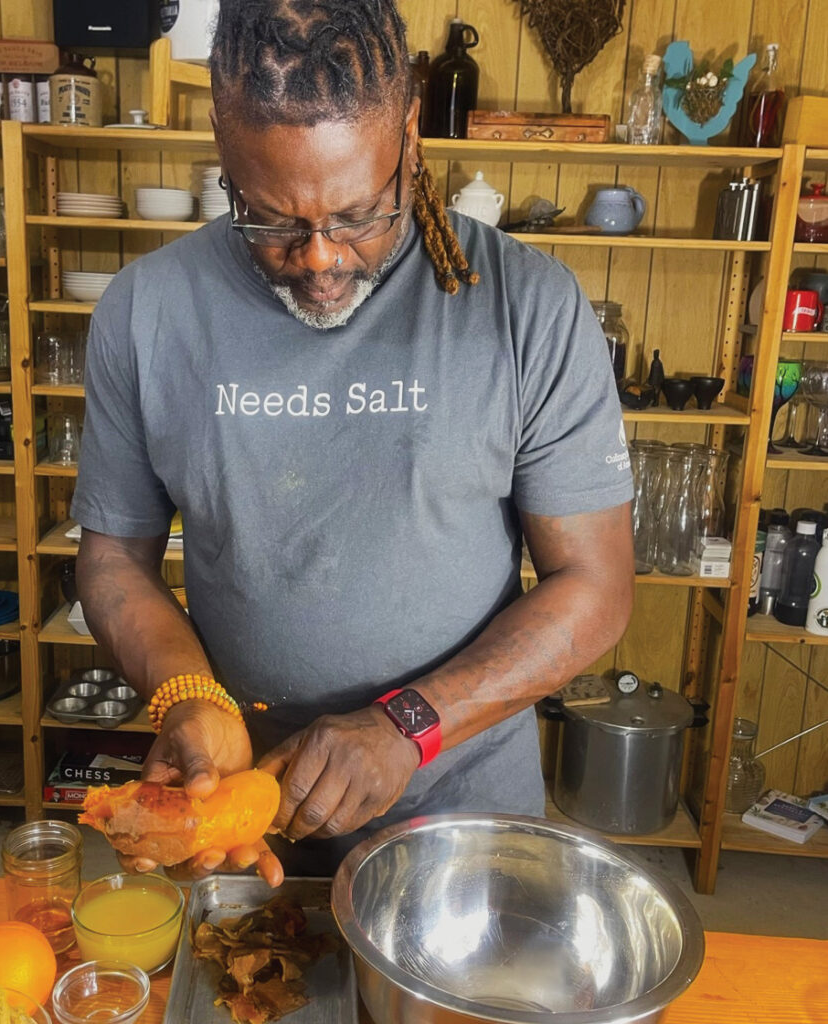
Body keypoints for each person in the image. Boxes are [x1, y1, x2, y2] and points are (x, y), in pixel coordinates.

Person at [72, 0, 635, 885]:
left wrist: (409, 726)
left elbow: (597, 585)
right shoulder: (146, 313)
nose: (323, 259)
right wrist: (188, 694)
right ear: (221, 139)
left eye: (361, 215)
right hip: (241, 812)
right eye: (272, 221)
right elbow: (112, 563)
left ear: (409, 129)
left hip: (461, 810)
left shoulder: (528, 307)